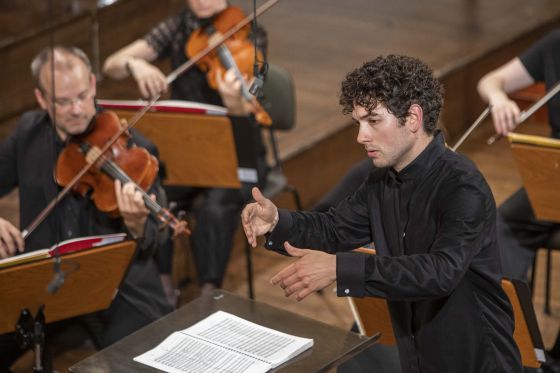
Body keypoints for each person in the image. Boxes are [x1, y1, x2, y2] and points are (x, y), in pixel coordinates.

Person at [242, 55, 522, 372]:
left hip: (476, 361)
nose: (361, 136)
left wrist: (341, 268)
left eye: (373, 121)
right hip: (417, 352)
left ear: (413, 118)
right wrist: (277, 221)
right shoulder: (381, 180)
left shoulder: (463, 186)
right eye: (358, 122)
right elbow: (334, 229)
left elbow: (440, 272)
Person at [0, 45, 172, 371]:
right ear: (41, 99)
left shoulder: (135, 148)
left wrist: (136, 223)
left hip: (114, 287)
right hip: (42, 285)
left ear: (93, 84)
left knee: (148, 363)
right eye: (63, 102)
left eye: (82, 95)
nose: (78, 109)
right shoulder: (28, 132)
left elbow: (156, 240)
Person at [102, 0, 269, 294]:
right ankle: (164, 283)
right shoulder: (178, 26)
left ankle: (210, 290)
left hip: (234, 152)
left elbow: (248, 108)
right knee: (152, 188)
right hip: (185, 151)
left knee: (217, 206)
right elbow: (111, 66)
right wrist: (135, 64)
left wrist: (234, 104)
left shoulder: (249, 32)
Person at [477, 29, 560, 362]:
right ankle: (519, 347)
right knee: (500, 229)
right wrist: (499, 99)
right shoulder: (556, 45)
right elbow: (490, 81)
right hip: (553, 179)